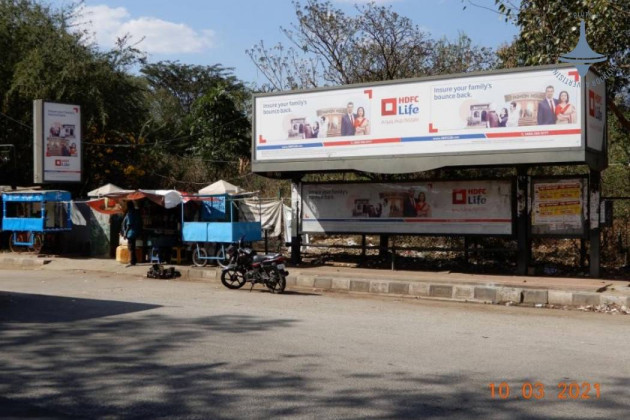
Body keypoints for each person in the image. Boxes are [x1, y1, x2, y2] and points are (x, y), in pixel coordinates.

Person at [122, 201, 142, 266]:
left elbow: (129, 224)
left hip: (131, 233)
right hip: (135, 232)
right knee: (132, 246)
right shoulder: (136, 212)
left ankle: (132, 261)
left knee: (131, 247)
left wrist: (125, 233)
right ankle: (134, 260)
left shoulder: (130, 213)